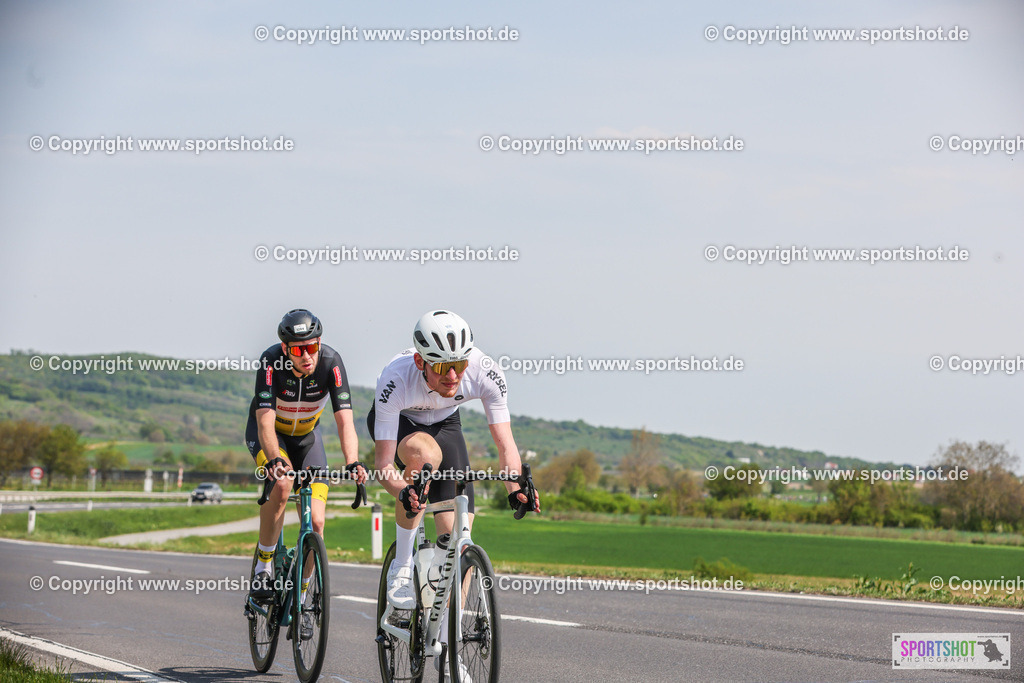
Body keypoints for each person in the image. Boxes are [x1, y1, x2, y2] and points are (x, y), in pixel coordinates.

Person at [368, 310, 540, 639]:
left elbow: (505, 444)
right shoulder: (396, 378)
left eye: (459, 365)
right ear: (420, 363)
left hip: (447, 424)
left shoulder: (485, 371)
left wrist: (515, 487)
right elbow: (384, 466)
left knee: (457, 543)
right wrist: (403, 491)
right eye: (442, 367)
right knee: (426, 455)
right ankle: (402, 564)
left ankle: (449, 643)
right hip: (403, 423)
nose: (452, 376)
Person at [246, 309, 367, 639]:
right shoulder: (271, 362)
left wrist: (353, 461)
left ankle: (301, 601)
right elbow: (265, 422)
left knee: (316, 523)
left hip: (308, 441)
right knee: (283, 485)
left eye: (312, 347)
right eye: (298, 349)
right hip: (271, 437)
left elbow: (345, 420)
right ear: (286, 349)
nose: (307, 355)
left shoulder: (331, 362)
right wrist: (274, 460)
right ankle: (264, 566)